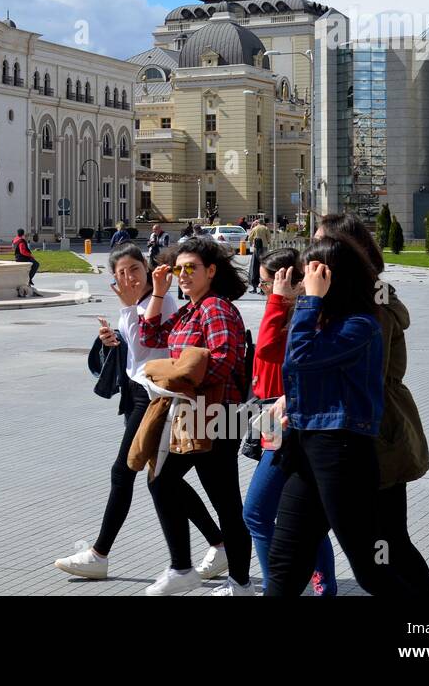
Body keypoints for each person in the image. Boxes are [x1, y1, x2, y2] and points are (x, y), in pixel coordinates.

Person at [54, 243, 227, 581]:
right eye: (120, 273)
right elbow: (137, 347)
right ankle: (218, 544)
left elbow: (149, 341)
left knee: (125, 472)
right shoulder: (137, 304)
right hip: (137, 395)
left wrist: (130, 311)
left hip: (155, 397)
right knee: (160, 480)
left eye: (133, 269)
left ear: (147, 268)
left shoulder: (162, 301)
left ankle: (100, 554)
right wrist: (113, 338)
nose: (128, 277)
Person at [264, 238, 419, 597]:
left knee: (371, 569)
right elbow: (276, 352)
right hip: (306, 447)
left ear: (335, 279)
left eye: (312, 274)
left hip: (342, 454)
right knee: (286, 560)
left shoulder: (361, 326)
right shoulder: (320, 322)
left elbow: (299, 358)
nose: (304, 281)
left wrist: (308, 301)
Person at [314, 212, 429, 595]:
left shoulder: (373, 304)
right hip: (362, 429)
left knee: (390, 542)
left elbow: (368, 375)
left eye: (323, 246)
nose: (314, 256)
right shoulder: (361, 297)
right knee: (385, 542)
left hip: (376, 430)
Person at [139, 237, 254, 596]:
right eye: (179, 269)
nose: (183, 275)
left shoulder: (215, 308)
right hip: (196, 413)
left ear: (212, 271)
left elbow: (224, 360)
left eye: (191, 268)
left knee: (174, 484)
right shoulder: (191, 309)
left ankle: (205, 573)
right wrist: (159, 291)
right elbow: (149, 333)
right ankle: (224, 577)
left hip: (216, 415)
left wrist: (178, 379)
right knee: (173, 484)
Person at [241, 249, 338, 596]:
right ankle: (321, 584)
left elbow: (267, 349)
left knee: (256, 513)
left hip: (288, 420)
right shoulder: (289, 309)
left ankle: (278, 587)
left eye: (271, 283)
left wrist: (278, 300)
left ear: (295, 284)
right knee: (299, 518)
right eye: (267, 285)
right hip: (272, 415)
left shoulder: (298, 311)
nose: (267, 291)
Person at [247, 218, 271, 293]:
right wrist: (267, 242)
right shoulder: (266, 228)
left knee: (255, 267)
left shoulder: (255, 228)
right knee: (263, 267)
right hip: (264, 249)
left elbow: (250, 238)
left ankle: (254, 288)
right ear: (263, 223)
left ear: (258, 223)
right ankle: (262, 289)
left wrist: (252, 243)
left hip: (256, 249)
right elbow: (269, 238)